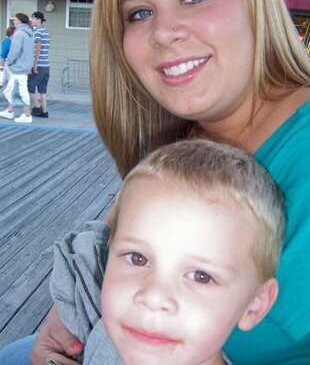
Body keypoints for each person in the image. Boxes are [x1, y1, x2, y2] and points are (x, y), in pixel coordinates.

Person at [2, 0, 310, 363]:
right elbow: (122, 226)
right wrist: (67, 314)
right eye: (140, 11)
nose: (163, 32)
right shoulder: (185, 128)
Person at [49, 139, 285, 365]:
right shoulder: (107, 339)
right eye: (137, 258)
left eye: (201, 276)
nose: (153, 296)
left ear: (254, 304)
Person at [0, 13, 33, 123]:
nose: (13, 20)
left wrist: (9, 61)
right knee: (12, 89)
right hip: (25, 65)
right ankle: (10, 111)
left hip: (18, 66)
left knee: (21, 90)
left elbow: (15, 50)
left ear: (19, 20)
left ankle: (27, 115)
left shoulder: (19, 33)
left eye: (15, 19)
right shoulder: (29, 33)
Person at [28, 11, 50, 119]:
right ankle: (45, 111)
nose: (31, 20)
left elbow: (38, 46)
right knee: (42, 88)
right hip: (46, 65)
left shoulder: (37, 31)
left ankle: (37, 107)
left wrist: (35, 64)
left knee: (29, 85)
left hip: (39, 64)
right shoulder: (45, 32)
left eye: (32, 18)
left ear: (37, 19)